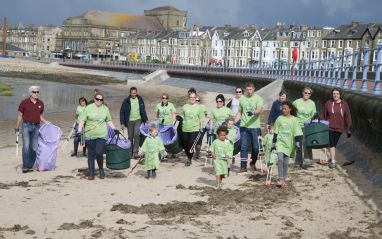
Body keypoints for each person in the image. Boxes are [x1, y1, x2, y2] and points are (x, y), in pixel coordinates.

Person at [78, 91, 119, 180]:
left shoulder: (105, 108)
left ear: (103, 100)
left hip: (102, 135)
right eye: (97, 99)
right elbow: (82, 120)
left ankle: (101, 169)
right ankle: (91, 174)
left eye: (101, 100)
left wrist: (114, 128)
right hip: (89, 136)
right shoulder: (88, 108)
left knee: (99, 153)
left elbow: (108, 120)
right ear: (94, 99)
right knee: (91, 155)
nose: (99, 101)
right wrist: (79, 130)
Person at [15, 86, 49, 173]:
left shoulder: (40, 103)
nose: (36, 93)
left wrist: (46, 122)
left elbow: (40, 116)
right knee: (26, 146)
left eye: (38, 92)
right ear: (30, 93)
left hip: (37, 127)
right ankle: (25, 166)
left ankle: (30, 165)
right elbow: (19, 116)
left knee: (34, 147)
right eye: (34, 92)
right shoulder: (24, 102)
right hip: (26, 126)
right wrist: (17, 127)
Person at [272, 101, 303, 187]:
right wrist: (273, 142)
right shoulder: (279, 118)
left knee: (285, 163)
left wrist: (297, 142)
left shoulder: (294, 120)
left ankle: (284, 178)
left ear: (290, 109)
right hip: (280, 142)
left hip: (289, 144)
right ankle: (280, 178)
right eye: (282, 108)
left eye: (285, 109)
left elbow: (297, 132)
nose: (283, 110)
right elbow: (276, 132)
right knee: (280, 160)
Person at [235, 82, 264, 173]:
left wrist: (254, 113)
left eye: (250, 89)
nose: (249, 91)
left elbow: (259, 109)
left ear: (254, 89)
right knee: (244, 147)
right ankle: (243, 167)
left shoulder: (258, 98)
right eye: (247, 90)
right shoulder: (242, 98)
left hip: (255, 127)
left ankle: (252, 163)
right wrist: (234, 122)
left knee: (255, 148)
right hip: (244, 126)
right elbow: (240, 112)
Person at [322, 88, 352, 168]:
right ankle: (333, 161)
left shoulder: (344, 104)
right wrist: (323, 125)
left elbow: (348, 116)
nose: (335, 95)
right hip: (330, 127)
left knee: (334, 145)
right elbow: (324, 115)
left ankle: (331, 158)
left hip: (339, 128)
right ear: (332, 95)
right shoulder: (328, 103)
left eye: (337, 94)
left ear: (340, 95)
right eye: (334, 94)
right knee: (332, 144)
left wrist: (349, 128)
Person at [120, 87, 148, 158]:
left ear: (136, 93)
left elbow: (143, 109)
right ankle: (130, 152)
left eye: (135, 93)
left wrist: (145, 119)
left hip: (138, 119)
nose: (133, 94)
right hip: (129, 121)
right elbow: (122, 112)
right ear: (130, 93)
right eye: (132, 93)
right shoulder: (126, 100)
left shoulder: (140, 99)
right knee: (130, 136)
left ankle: (135, 152)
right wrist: (122, 123)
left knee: (136, 134)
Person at [293, 86, 316, 168]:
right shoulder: (296, 102)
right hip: (298, 125)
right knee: (298, 143)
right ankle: (298, 161)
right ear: (302, 93)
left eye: (309, 93)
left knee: (306, 142)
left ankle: (308, 159)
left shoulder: (312, 103)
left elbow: (313, 115)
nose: (307, 94)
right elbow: (291, 112)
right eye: (305, 92)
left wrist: (313, 124)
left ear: (310, 94)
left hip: (308, 125)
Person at [182, 92, 204, 166]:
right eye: (191, 97)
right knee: (185, 145)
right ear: (189, 98)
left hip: (194, 128)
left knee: (190, 144)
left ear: (195, 98)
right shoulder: (185, 106)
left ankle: (189, 158)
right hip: (185, 128)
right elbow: (184, 116)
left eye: (194, 97)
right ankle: (189, 155)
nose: (192, 99)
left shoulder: (199, 107)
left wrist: (201, 128)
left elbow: (201, 118)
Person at [194, 95, 207, 160]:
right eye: (195, 100)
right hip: (194, 126)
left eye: (198, 100)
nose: (196, 101)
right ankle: (195, 150)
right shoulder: (192, 107)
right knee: (194, 139)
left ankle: (197, 153)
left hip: (202, 126)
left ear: (200, 101)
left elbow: (205, 114)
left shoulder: (202, 107)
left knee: (199, 139)